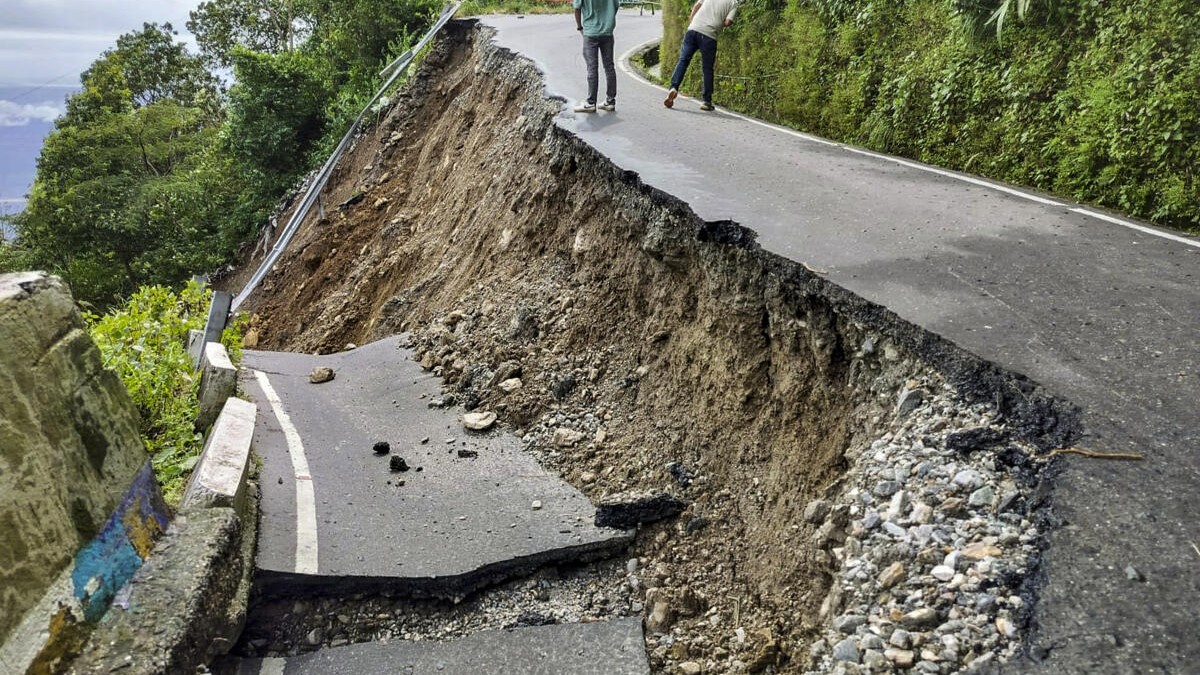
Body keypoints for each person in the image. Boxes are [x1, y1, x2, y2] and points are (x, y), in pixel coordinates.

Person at [664, 0, 739, 111]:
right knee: (707, 69)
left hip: (693, 29)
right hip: (709, 35)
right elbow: (728, 22)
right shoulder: (733, 3)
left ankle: (674, 87)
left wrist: (692, 21)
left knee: (683, 61)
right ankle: (706, 101)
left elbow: (696, 6)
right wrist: (718, 23)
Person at [573, 0, 620, 113]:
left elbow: (577, 8)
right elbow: (616, 6)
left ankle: (590, 103)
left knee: (592, 67)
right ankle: (610, 101)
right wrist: (607, 20)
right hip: (607, 32)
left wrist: (580, 27)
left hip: (590, 32)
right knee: (609, 67)